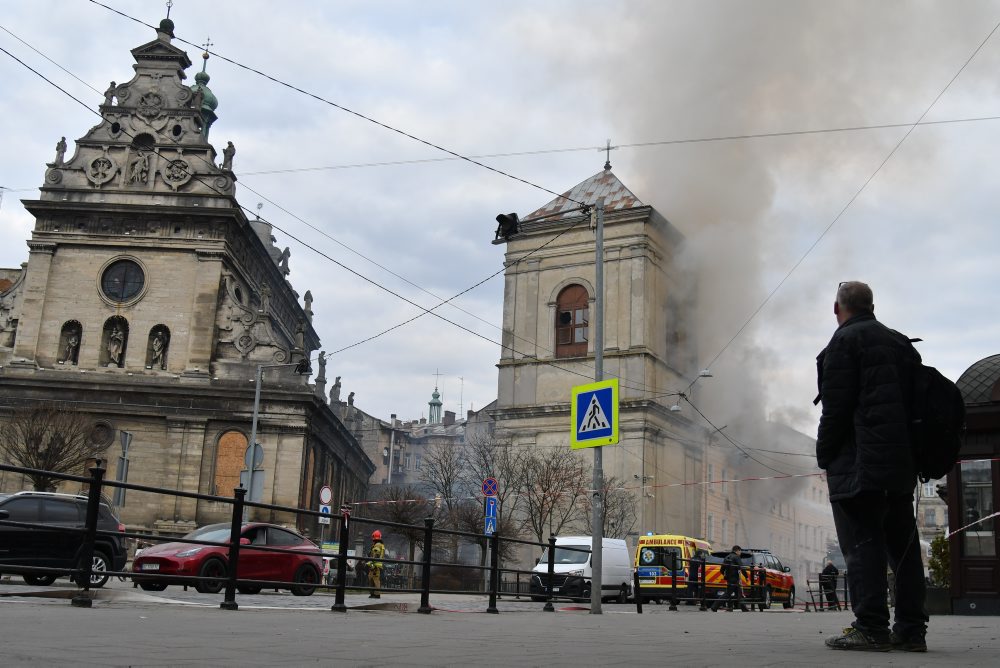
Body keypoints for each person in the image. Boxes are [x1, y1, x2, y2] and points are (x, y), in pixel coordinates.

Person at [816, 281, 928, 652]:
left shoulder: (844, 343)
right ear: (872, 306)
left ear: (837, 309)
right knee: (904, 548)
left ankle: (872, 627)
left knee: (863, 545)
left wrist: (824, 454)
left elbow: (836, 410)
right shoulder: (899, 343)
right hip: (899, 465)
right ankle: (912, 631)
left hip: (859, 464)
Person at [712, 545, 748, 612]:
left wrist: (726, 576)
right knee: (733, 593)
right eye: (740, 551)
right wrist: (746, 576)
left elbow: (721, 570)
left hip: (729, 579)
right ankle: (714, 606)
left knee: (735, 593)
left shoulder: (727, 557)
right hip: (735, 578)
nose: (740, 553)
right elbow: (742, 568)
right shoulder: (736, 557)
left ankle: (744, 608)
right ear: (737, 550)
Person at [367, 530, 385, 599]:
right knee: (373, 578)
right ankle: (374, 594)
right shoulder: (381, 545)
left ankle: (376, 594)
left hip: (375, 565)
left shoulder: (377, 545)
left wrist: (372, 565)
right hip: (377, 565)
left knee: (374, 579)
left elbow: (375, 555)